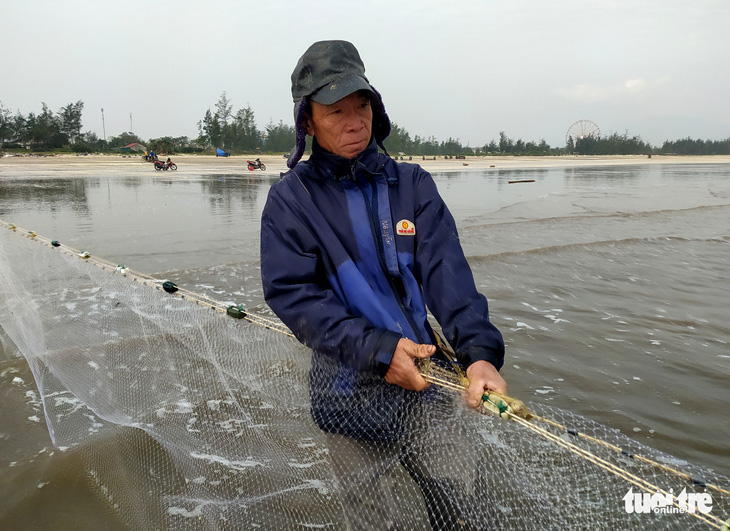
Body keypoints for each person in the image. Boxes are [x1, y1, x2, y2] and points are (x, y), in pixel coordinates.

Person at [260, 40, 507, 529]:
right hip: (347, 390)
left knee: (460, 511)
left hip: (428, 380)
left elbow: (447, 274)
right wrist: (378, 350)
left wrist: (478, 353)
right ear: (307, 121)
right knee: (374, 521)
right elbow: (293, 296)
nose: (355, 121)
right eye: (336, 111)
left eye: (362, 104)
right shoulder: (291, 201)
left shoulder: (411, 184)